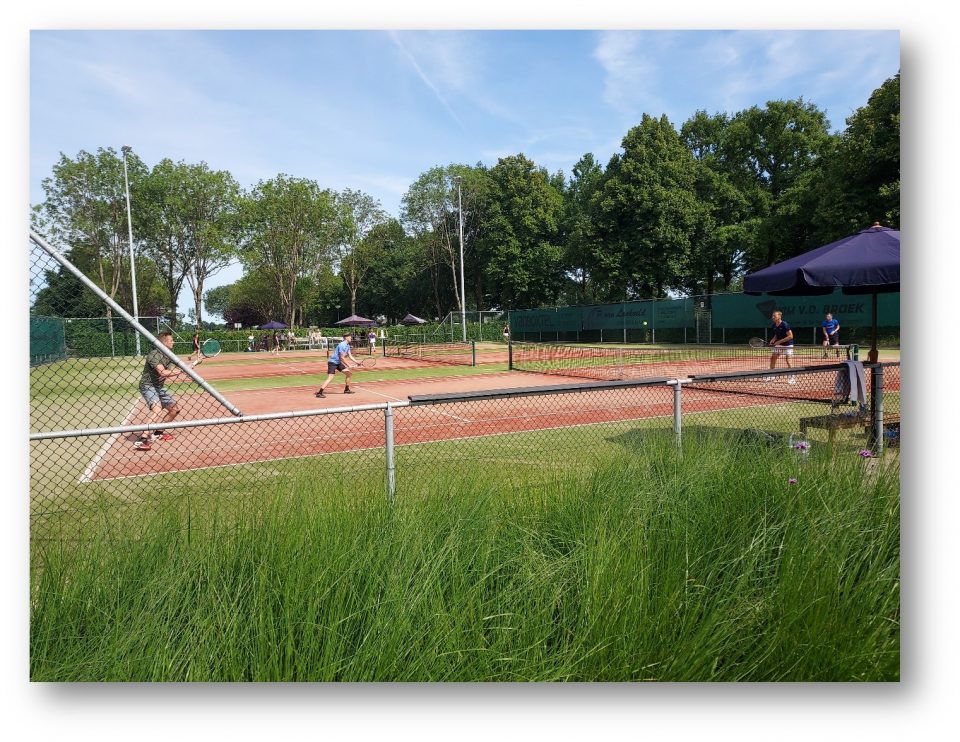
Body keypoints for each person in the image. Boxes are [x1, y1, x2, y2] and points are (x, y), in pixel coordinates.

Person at [133, 331, 183, 451]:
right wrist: (180, 371)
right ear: (164, 343)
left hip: (159, 386)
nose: (173, 342)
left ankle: (157, 433)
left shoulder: (169, 355)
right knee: (157, 409)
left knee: (174, 409)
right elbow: (162, 372)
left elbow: (168, 373)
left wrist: (186, 367)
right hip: (148, 385)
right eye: (171, 340)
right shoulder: (154, 354)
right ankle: (142, 440)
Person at [315, 332, 360, 398]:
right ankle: (319, 392)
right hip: (332, 362)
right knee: (330, 378)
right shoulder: (342, 345)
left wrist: (357, 362)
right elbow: (342, 358)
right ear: (346, 338)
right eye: (350, 337)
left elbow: (350, 355)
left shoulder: (347, 345)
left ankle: (347, 390)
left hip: (338, 362)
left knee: (349, 374)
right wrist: (349, 365)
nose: (351, 338)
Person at [766, 310, 796, 384]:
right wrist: (773, 339)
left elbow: (790, 336)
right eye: (772, 316)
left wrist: (779, 342)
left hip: (788, 344)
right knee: (773, 358)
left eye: (774, 316)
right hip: (780, 344)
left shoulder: (785, 324)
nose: (773, 317)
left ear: (779, 316)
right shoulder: (774, 325)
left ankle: (792, 378)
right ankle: (771, 375)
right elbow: (777, 334)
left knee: (788, 360)